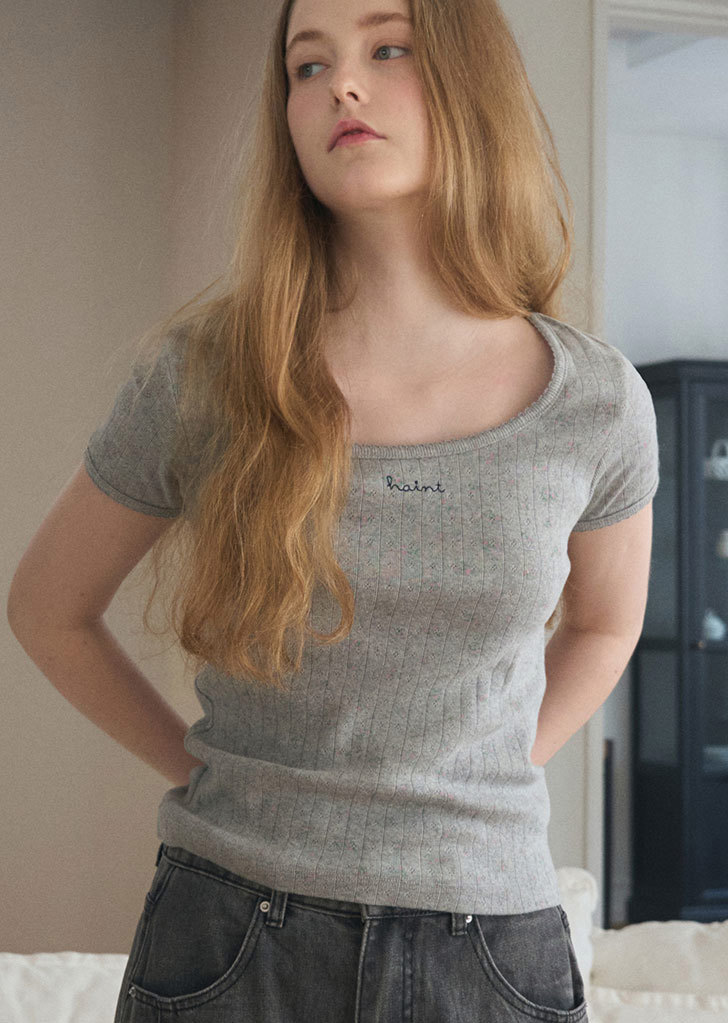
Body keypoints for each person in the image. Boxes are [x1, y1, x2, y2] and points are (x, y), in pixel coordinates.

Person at [7, 0, 660, 1019]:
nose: (341, 84)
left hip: (490, 946)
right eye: (307, 67)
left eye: (386, 48)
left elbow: (606, 624)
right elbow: (47, 609)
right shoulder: (204, 373)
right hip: (229, 935)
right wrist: (205, 771)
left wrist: (480, 776)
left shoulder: (595, 399)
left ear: (470, 82)